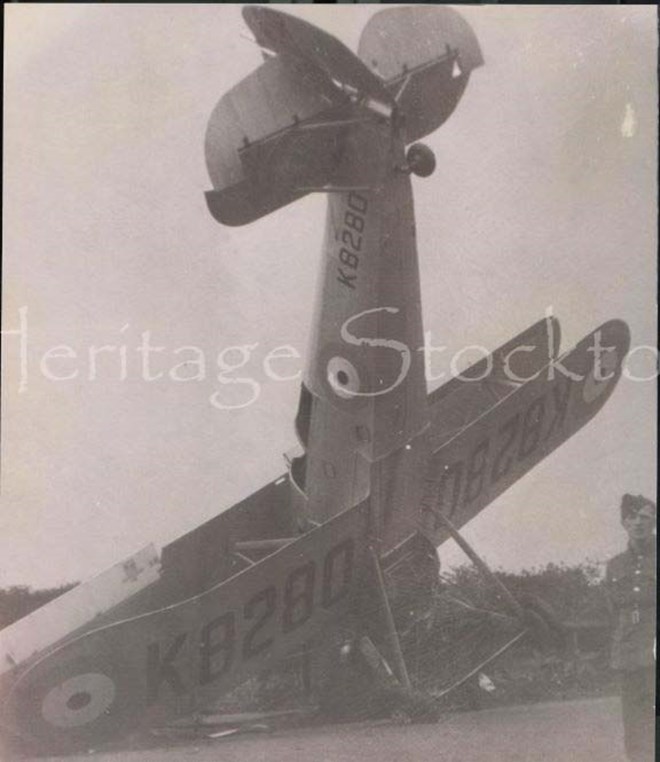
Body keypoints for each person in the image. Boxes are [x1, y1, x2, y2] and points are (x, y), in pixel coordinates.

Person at [605, 494, 656, 762]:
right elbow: (613, 613)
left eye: (645, 517)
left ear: (655, 521)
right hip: (629, 656)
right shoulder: (615, 566)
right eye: (632, 517)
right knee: (634, 727)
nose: (638, 523)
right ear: (624, 522)